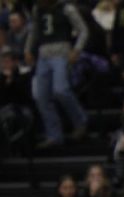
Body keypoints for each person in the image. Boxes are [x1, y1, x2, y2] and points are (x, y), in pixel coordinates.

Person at [24, 0, 89, 148]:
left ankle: (81, 122)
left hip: (62, 53)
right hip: (43, 55)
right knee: (41, 96)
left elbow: (83, 30)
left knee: (61, 90)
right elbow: (34, 30)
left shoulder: (66, 8)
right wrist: (28, 49)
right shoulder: (37, 9)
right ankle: (54, 135)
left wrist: (77, 49)